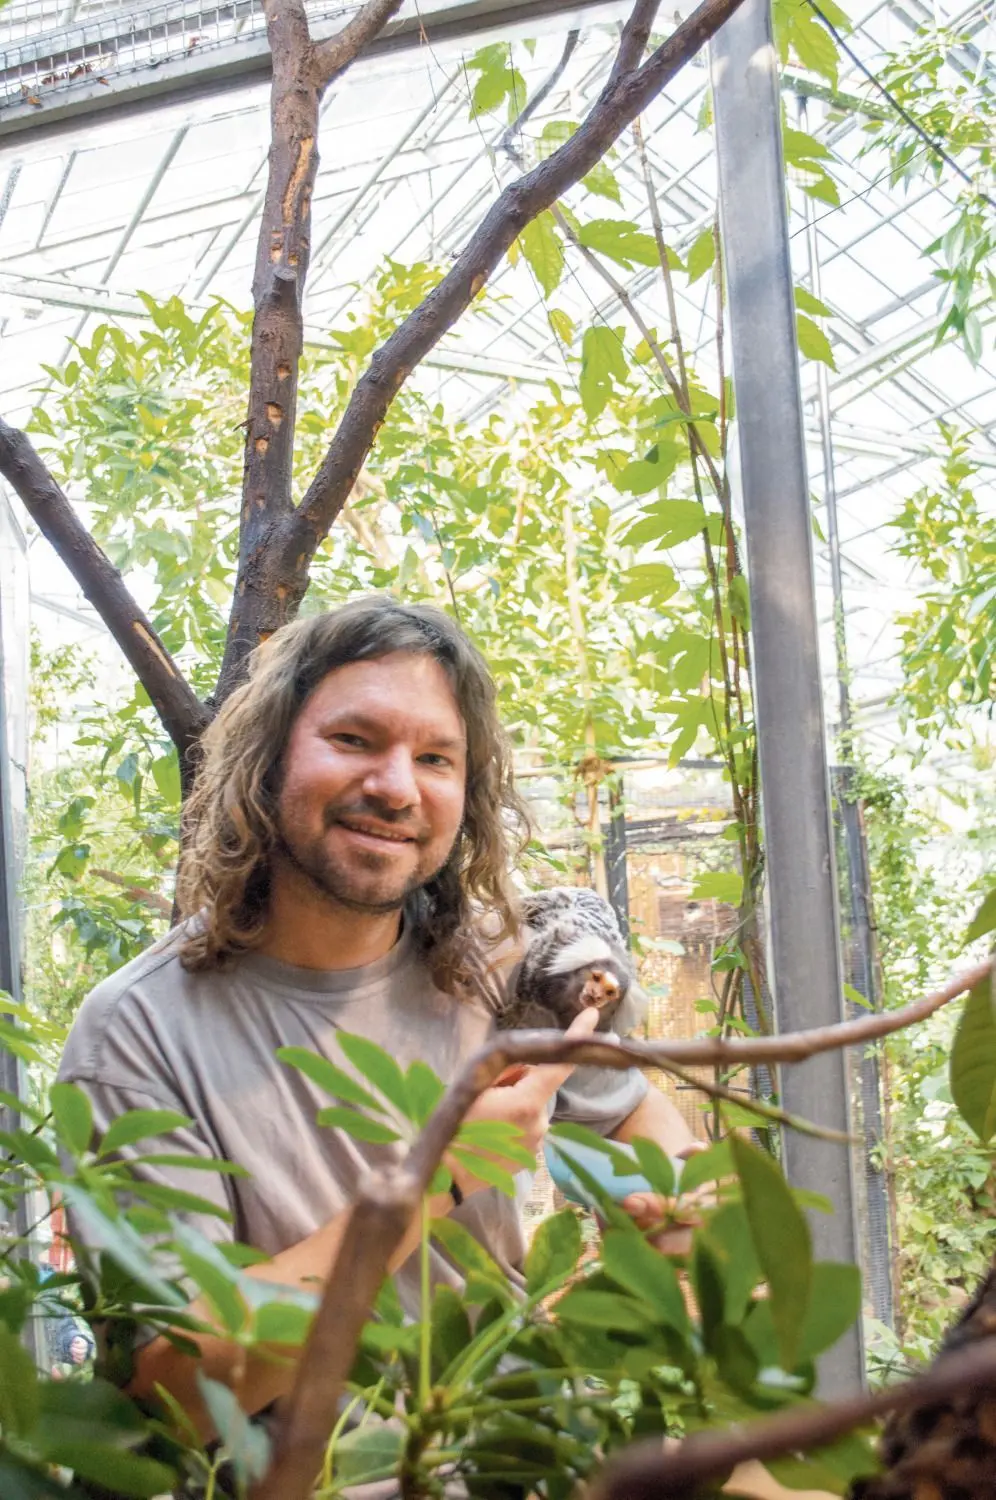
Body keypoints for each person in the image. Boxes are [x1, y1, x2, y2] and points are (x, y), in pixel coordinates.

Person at [58, 597, 696, 1439]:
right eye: (353, 741)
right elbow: (173, 1391)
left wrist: (680, 1217)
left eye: (435, 757)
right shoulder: (137, 1032)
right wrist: (442, 1173)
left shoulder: (494, 970)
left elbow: (655, 1140)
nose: (396, 788)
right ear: (269, 759)